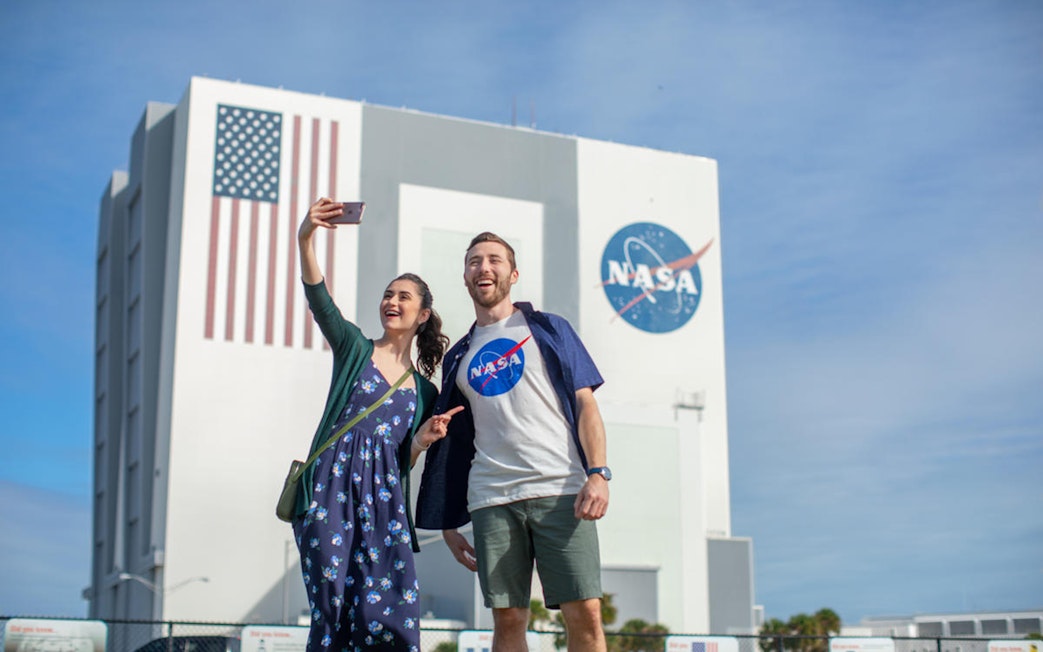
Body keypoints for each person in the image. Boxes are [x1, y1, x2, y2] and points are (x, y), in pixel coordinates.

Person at [417, 232, 611, 652]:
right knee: (507, 621)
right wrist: (448, 521)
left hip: (561, 488)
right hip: (492, 498)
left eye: (494, 260)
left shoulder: (548, 329)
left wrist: (598, 473)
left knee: (587, 616)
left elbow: (586, 405)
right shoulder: (460, 356)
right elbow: (453, 446)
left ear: (513, 273)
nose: (483, 267)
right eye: (474, 262)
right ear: (466, 278)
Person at [290, 197, 462, 652]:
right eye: (389, 293)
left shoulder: (426, 392)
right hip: (329, 492)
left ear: (422, 314)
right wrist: (305, 236)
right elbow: (319, 300)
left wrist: (422, 442)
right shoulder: (355, 350)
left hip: (385, 507)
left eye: (404, 296)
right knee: (331, 610)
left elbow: (399, 460)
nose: (392, 301)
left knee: (387, 612)